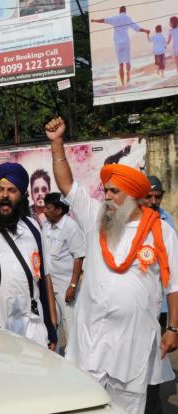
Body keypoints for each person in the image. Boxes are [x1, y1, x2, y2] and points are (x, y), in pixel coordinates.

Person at [45, 117, 178, 414]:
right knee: (85, 405)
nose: (106, 197)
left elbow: (174, 285)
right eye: (105, 191)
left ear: (132, 196)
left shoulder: (162, 231)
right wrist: (57, 144)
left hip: (134, 341)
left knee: (128, 408)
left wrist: (173, 328)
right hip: (90, 338)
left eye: (114, 192)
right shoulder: (95, 217)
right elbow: (67, 184)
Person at [0, 162, 58, 349]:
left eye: (12, 190)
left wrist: (51, 327)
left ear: (22, 195)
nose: (5, 196)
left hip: (32, 331)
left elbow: (43, 279)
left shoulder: (33, 227)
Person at [41, 192, 85, 348]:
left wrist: (72, 286)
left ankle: (76, 362)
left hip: (65, 285)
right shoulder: (45, 225)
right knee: (52, 323)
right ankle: (57, 360)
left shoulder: (71, 227)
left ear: (58, 210)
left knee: (70, 324)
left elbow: (78, 257)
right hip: (48, 282)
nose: (44, 211)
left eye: (48, 208)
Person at [91, 6, 151, 86]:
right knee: (127, 62)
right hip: (126, 42)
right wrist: (145, 30)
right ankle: (128, 75)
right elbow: (136, 28)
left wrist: (94, 20)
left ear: (119, 11)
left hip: (118, 44)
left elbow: (103, 20)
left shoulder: (115, 18)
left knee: (121, 65)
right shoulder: (127, 18)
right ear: (125, 11)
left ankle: (122, 84)